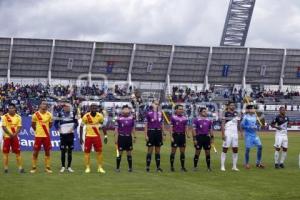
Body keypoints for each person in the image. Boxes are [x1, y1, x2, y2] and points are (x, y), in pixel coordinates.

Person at [80, 104, 107, 174]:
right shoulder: (86, 116)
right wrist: (80, 137)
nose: (94, 109)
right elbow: (81, 127)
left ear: (97, 109)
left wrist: (105, 136)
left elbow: (103, 126)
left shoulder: (100, 116)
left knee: (99, 152)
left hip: (97, 136)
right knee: (87, 152)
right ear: (90, 108)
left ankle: (100, 167)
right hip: (88, 136)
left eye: (95, 108)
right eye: (93, 108)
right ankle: (87, 167)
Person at [30, 100, 53, 173]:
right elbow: (33, 125)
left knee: (47, 151)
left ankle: (47, 167)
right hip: (38, 136)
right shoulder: (35, 115)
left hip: (46, 136)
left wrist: (45, 130)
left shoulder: (49, 115)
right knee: (36, 152)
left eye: (45, 104)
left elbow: (50, 125)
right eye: (43, 104)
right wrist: (37, 131)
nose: (44, 105)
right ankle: (34, 167)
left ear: (47, 106)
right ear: (40, 105)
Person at [54, 103, 78, 173]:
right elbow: (55, 123)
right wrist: (59, 129)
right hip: (63, 135)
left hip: (70, 135)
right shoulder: (59, 114)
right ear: (63, 107)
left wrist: (72, 129)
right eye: (66, 106)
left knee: (70, 152)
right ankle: (63, 167)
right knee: (63, 151)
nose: (67, 108)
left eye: (68, 106)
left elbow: (76, 123)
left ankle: (69, 167)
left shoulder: (73, 114)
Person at [2, 103, 25, 173]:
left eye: (12, 108)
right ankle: (6, 168)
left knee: (18, 153)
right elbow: (4, 127)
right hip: (7, 137)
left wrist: (15, 134)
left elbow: (19, 127)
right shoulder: (4, 117)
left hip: (14, 137)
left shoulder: (18, 117)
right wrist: (10, 134)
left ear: (15, 109)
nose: (10, 109)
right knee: (6, 153)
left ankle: (20, 168)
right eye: (9, 108)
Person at [241, 105, 265, 169]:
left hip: (255, 135)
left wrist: (259, 126)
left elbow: (256, 125)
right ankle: (246, 163)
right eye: (252, 109)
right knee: (248, 149)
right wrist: (249, 127)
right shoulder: (245, 117)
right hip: (248, 135)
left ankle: (258, 163)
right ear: (248, 110)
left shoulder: (255, 116)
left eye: (254, 109)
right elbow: (242, 126)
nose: (254, 110)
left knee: (260, 147)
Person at [144, 100, 165, 172]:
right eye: (155, 103)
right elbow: (146, 125)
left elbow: (162, 124)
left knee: (158, 150)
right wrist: (146, 135)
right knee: (150, 150)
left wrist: (163, 133)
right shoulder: (148, 113)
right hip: (151, 132)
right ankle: (147, 166)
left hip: (158, 132)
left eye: (157, 104)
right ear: (152, 104)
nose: (157, 105)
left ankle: (158, 167)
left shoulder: (160, 113)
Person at [220, 101, 241, 171]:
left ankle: (234, 166)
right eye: (231, 105)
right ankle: (222, 166)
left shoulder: (237, 113)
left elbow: (238, 124)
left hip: (235, 133)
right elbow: (222, 124)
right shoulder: (225, 113)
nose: (233, 106)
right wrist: (223, 134)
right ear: (228, 106)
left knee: (235, 149)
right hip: (228, 132)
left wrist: (241, 132)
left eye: (233, 105)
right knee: (225, 149)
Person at [115, 105, 136, 172]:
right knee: (119, 153)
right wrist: (116, 138)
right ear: (122, 111)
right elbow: (116, 129)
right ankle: (117, 168)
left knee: (129, 153)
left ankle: (130, 168)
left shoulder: (131, 118)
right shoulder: (118, 119)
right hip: (121, 137)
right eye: (125, 109)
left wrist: (134, 136)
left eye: (127, 109)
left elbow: (133, 128)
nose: (126, 111)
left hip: (128, 137)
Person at [192, 107, 214, 172]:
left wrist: (212, 138)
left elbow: (210, 130)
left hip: (206, 138)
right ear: (200, 112)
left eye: (206, 111)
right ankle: (195, 167)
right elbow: (193, 130)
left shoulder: (209, 120)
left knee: (207, 152)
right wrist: (194, 139)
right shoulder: (196, 120)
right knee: (197, 152)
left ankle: (208, 167)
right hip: (199, 137)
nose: (205, 112)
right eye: (204, 111)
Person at [169, 104, 189, 172]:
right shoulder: (173, 117)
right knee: (173, 152)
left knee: (182, 152)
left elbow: (186, 127)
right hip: (175, 135)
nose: (181, 110)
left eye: (182, 109)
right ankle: (172, 167)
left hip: (182, 136)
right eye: (180, 109)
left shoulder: (185, 118)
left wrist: (187, 134)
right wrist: (171, 136)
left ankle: (183, 167)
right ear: (176, 110)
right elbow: (171, 128)